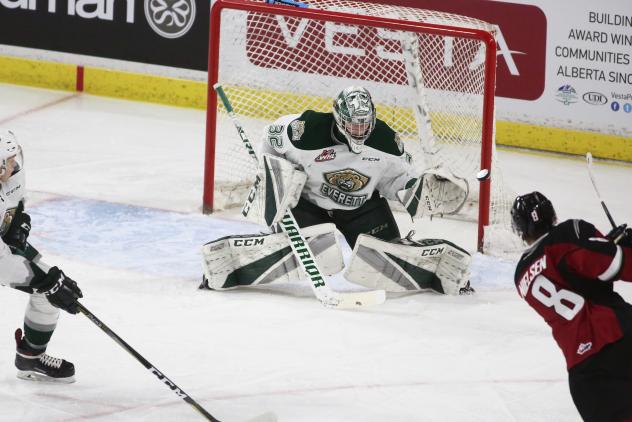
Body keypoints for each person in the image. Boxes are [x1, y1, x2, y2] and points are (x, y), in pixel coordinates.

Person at [201, 86, 473, 296]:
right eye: (353, 123)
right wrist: (275, 171)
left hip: (363, 209)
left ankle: (438, 273)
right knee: (298, 249)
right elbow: (271, 137)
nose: (359, 129)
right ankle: (236, 266)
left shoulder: (385, 141)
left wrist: (418, 190)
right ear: (339, 118)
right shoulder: (306, 131)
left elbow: (398, 180)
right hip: (309, 207)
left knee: (386, 256)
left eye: (364, 123)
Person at [511, 191, 632, 422]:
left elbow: (570, 275)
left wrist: (605, 244)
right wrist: (618, 248)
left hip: (585, 371)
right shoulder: (566, 234)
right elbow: (608, 265)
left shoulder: (521, 275)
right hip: (620, 335)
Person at [0, 128, 83, 383]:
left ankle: (31, 357)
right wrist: (45, 281)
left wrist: (19, 222)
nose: (15, 165)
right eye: (9, 161)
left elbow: (15, 205)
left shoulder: (10, 176)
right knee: (48, 284)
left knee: (50, 292)